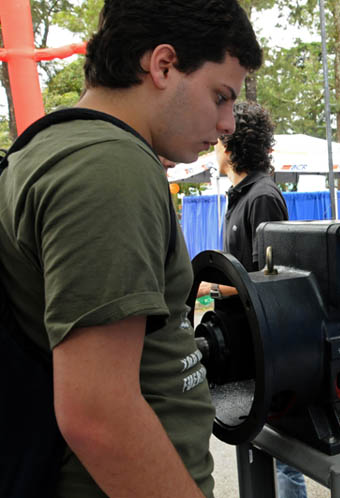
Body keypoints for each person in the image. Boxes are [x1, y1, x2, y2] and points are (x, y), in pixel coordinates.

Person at [0, 1, 262, 496]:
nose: (229, 123)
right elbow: (99, 416)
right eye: (221, 96)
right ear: (163, 65)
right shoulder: (110, 167)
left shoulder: (48, 146)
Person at [194, 102, 305, 498]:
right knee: (260, 451)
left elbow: (270, 283)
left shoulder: (262, 197)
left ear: (231, 143)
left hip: (263, 347)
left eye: (218, 137)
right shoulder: (242, 194)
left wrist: (213, 289)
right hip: (243, 349)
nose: (213, 146)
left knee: (286, 454)